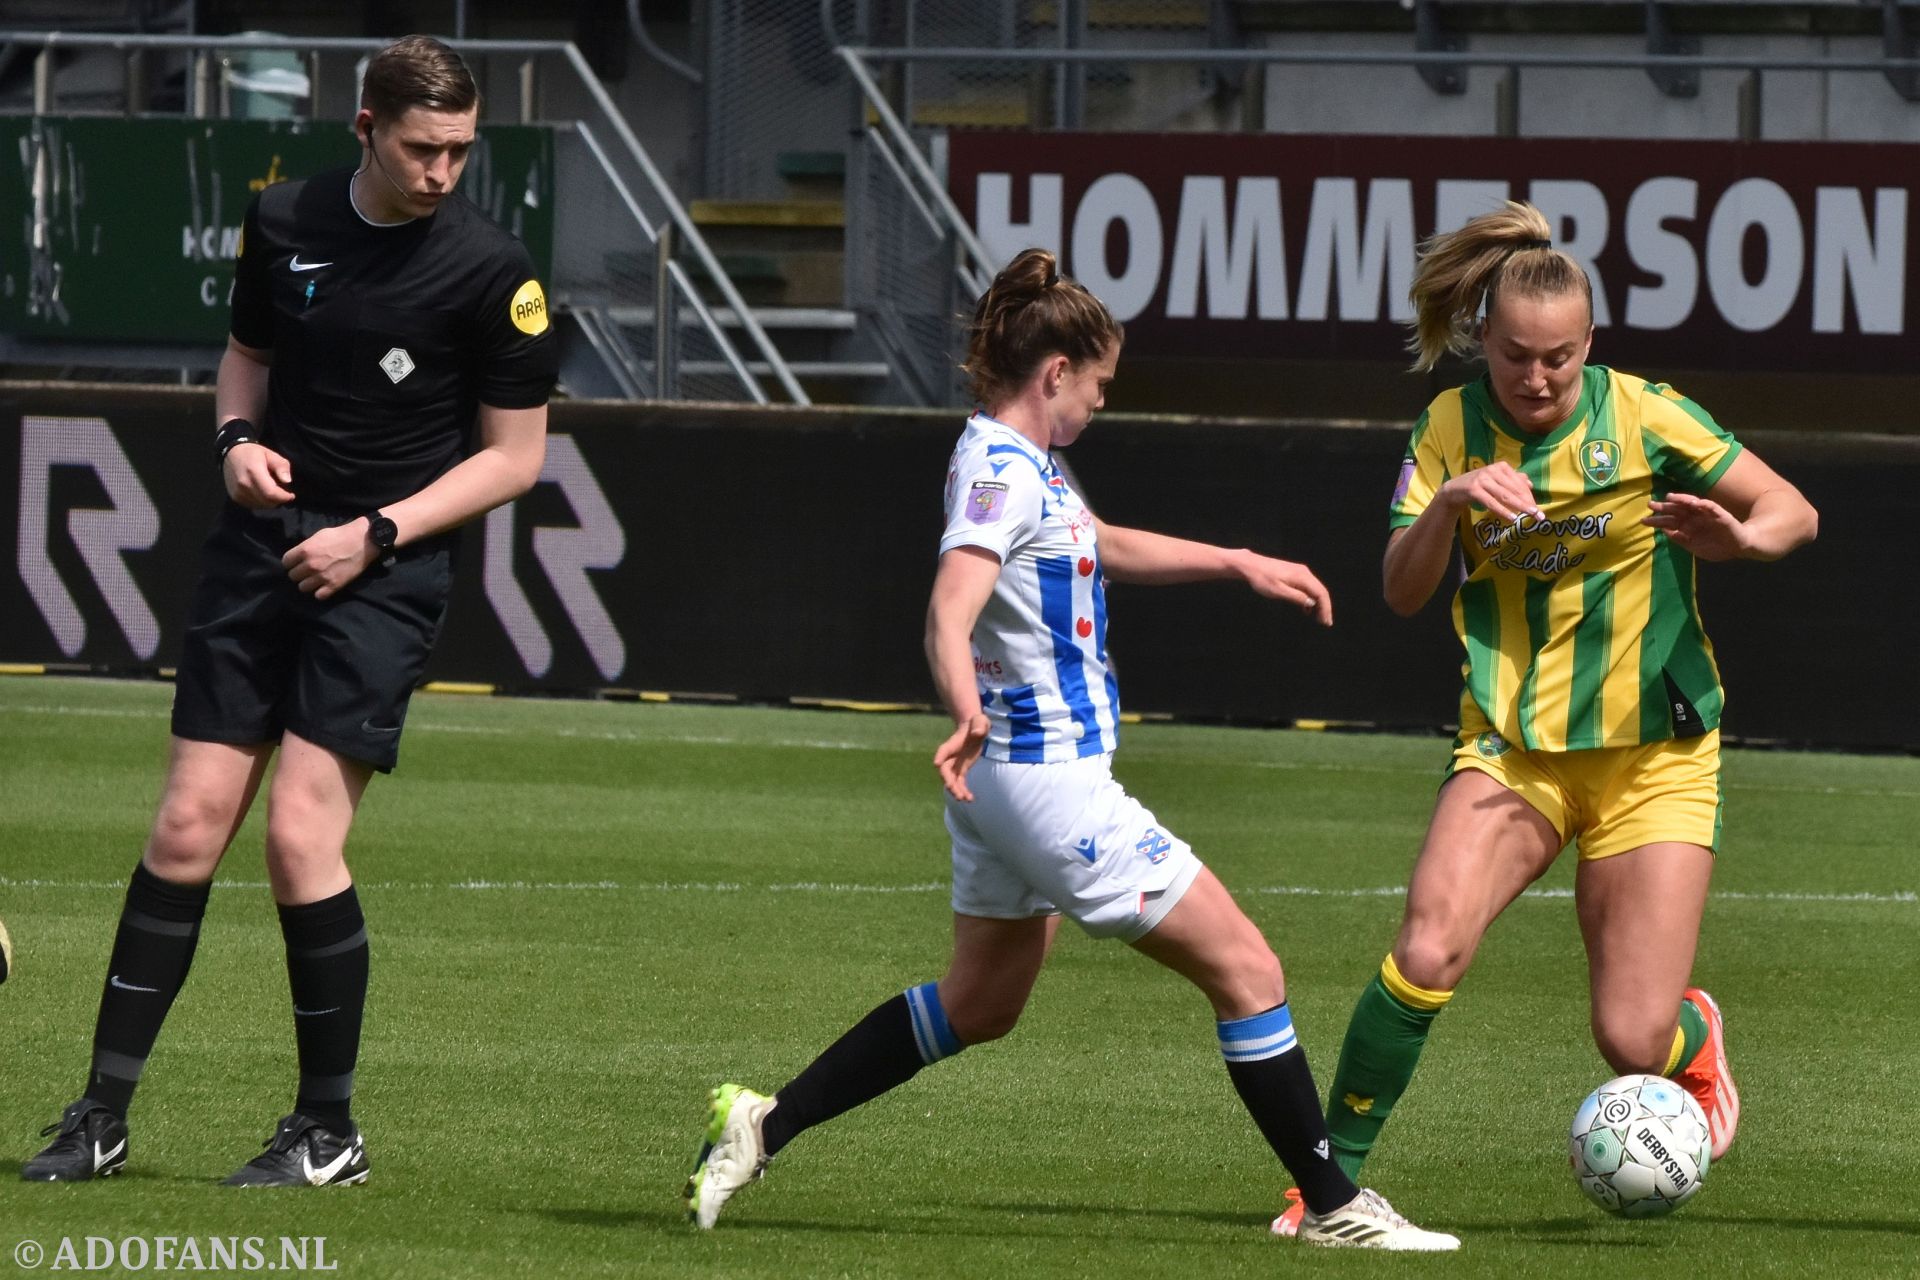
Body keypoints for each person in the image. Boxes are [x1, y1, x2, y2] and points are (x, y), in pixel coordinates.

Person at [683, 248, 1459, 1251]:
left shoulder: (1019, 462)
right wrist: (962, 704)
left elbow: (1095, 540)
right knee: (1250, 968)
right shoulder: (1002, 475)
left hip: (1009, 788)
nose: (1099, 403)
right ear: (1055, 372)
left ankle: (763, 1121)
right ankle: (1334, 1202)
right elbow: (948, 608)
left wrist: (1236, 561)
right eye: (1098, 385)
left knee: (981, 1001)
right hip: (1047, 785)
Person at [22, 35, 556, 1187]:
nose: (444, 172)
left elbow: (515, 459)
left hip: (386, 571)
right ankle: (100, 1115)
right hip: (259, 555)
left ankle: (329, 1131)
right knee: (183, 826)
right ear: (364, 126)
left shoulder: (493, 268)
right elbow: (242, 359)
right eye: (424, 149)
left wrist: (379, 531)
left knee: (298, 835)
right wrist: (235, 442)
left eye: (462, 151)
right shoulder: (284, 221)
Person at [1269, 201, 1817, 1234]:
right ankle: (1330, 1178)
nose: (1538, 379)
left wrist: (1735, 541)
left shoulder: (1646, 413)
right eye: (1519, 356)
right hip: (1513, 749)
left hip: (1655, 758)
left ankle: (1689, 1042)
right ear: (1485, 340)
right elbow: (1398, 589)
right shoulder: (1446, 430)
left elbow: (1795, 510)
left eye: (1561, 359)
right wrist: (1447, 504)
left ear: (1589, 347)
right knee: (1427, 948)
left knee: (1629, 1032)